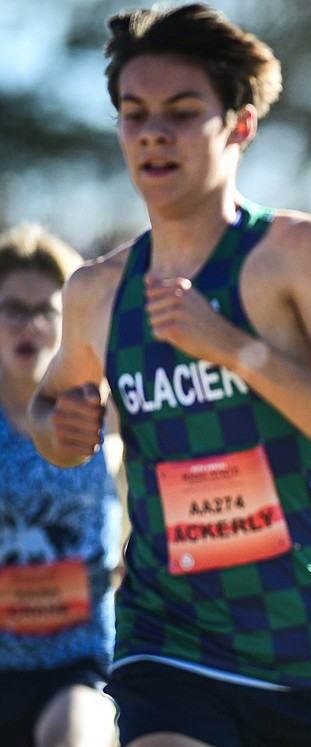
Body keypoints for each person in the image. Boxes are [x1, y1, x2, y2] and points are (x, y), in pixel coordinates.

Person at [27, 3, 311, 747]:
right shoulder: (98, 292)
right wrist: (63, 429)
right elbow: (51, 413)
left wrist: (238, 350)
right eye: (134, 114)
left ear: (239, 125)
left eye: (181, 112)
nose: (153, 134)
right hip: (170, 634)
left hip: (309, 644)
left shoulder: (298, 254)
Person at [0, 224, 121, 747]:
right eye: (12, 309)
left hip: (79, 665)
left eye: (46, 310)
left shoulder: (104, 409)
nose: (29, 325)